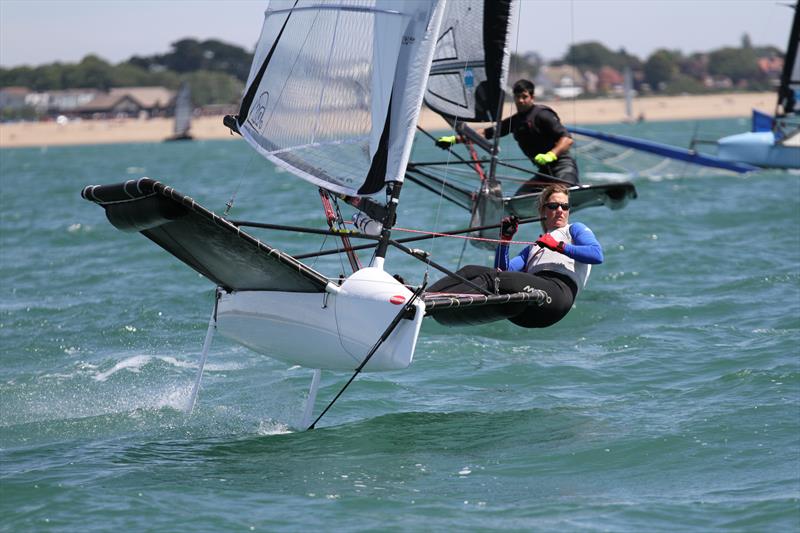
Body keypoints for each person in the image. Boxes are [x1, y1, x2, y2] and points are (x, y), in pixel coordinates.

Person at [427, 184, 603, 328]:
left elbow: (596, 254)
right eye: (553, 206)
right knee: (469, 270)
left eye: (564, 206)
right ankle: (424, 296)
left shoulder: (573, 230)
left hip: (556, 297)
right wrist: (504, 240)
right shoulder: (534, 248)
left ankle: (427, 304)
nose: (560, 210)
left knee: (491, 279)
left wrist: (559, 246)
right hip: (524, 312)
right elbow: (503, 272)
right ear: (543, 211)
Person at [435, 79, 579, 188]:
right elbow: (486, 133)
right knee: (517, 205)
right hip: (543, 172)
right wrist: (455, 139)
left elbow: (567, 139)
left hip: (563, 166)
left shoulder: (542, 115)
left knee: (560, 195)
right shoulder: (515, 121)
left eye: (524, 96)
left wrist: (551, 155)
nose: (521, 100)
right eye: (517, 97)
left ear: (532, 97)